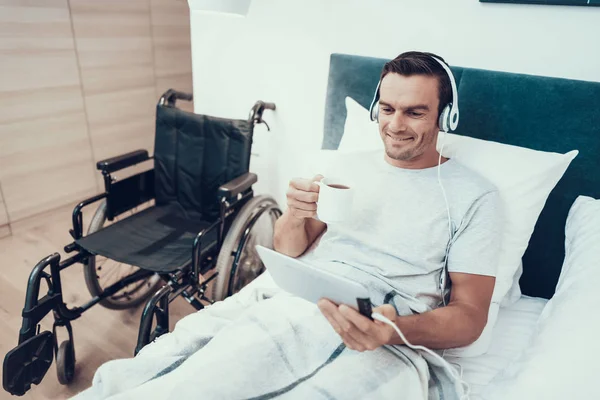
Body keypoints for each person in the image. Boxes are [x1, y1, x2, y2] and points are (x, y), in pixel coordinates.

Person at [273, 51, 503, 353]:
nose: (395, 125)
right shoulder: (344, 168)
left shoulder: (475, 197)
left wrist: (392, 331)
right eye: (387, 109)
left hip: (386, 331)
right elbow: (289, 248)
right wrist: (295, 214)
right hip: (308, 306)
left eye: (414, 113)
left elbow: (471, 316)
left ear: (446, 117)